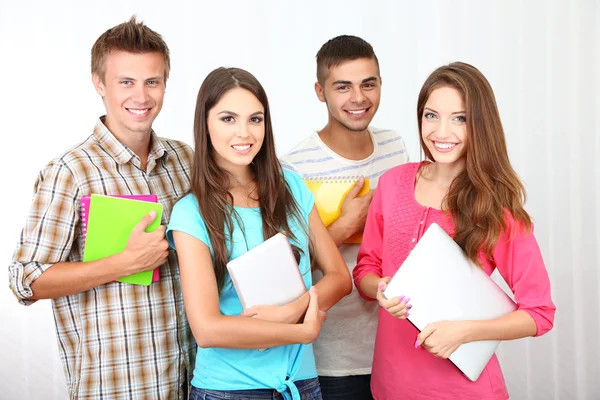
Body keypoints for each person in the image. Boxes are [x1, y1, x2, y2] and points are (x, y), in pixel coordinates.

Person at [8, 16, 195, 399]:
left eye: (152, 82)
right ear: (99, 83)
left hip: (192, 382)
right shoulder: (70, 172)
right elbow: (24, 280)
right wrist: (122, 264)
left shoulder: (185, 160)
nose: (141, 97)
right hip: (117, 388)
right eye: (126, 81)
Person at [353, 62, 556, 400]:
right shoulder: (392, 183)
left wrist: (464, 332)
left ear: (480, 126)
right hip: (389, 385)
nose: (441, 131)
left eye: (459, 118)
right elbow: (365, 269)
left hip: (464, 390)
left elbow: (540, 314)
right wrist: (380, 289)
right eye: (431, 115)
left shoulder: (497, 209)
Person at [167, 67, 352, 400]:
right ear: (205, 124)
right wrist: (298, 331)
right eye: (228, 119)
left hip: (302, 386)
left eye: (255, 119)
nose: (245, 133)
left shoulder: (292, 188)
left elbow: (339, 277)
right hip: (229, 391)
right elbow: (207, 329)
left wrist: (291, 312)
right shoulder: (190, 213)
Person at [280, 35, 409, 399]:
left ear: (381, 84)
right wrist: (342, 228)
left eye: (368, 84)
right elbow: (286, 266)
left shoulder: (395, 146)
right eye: (343, 87)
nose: (358, 98)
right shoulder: (293, 165)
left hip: (398, 342)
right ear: (320, 92)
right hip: (331, 357)